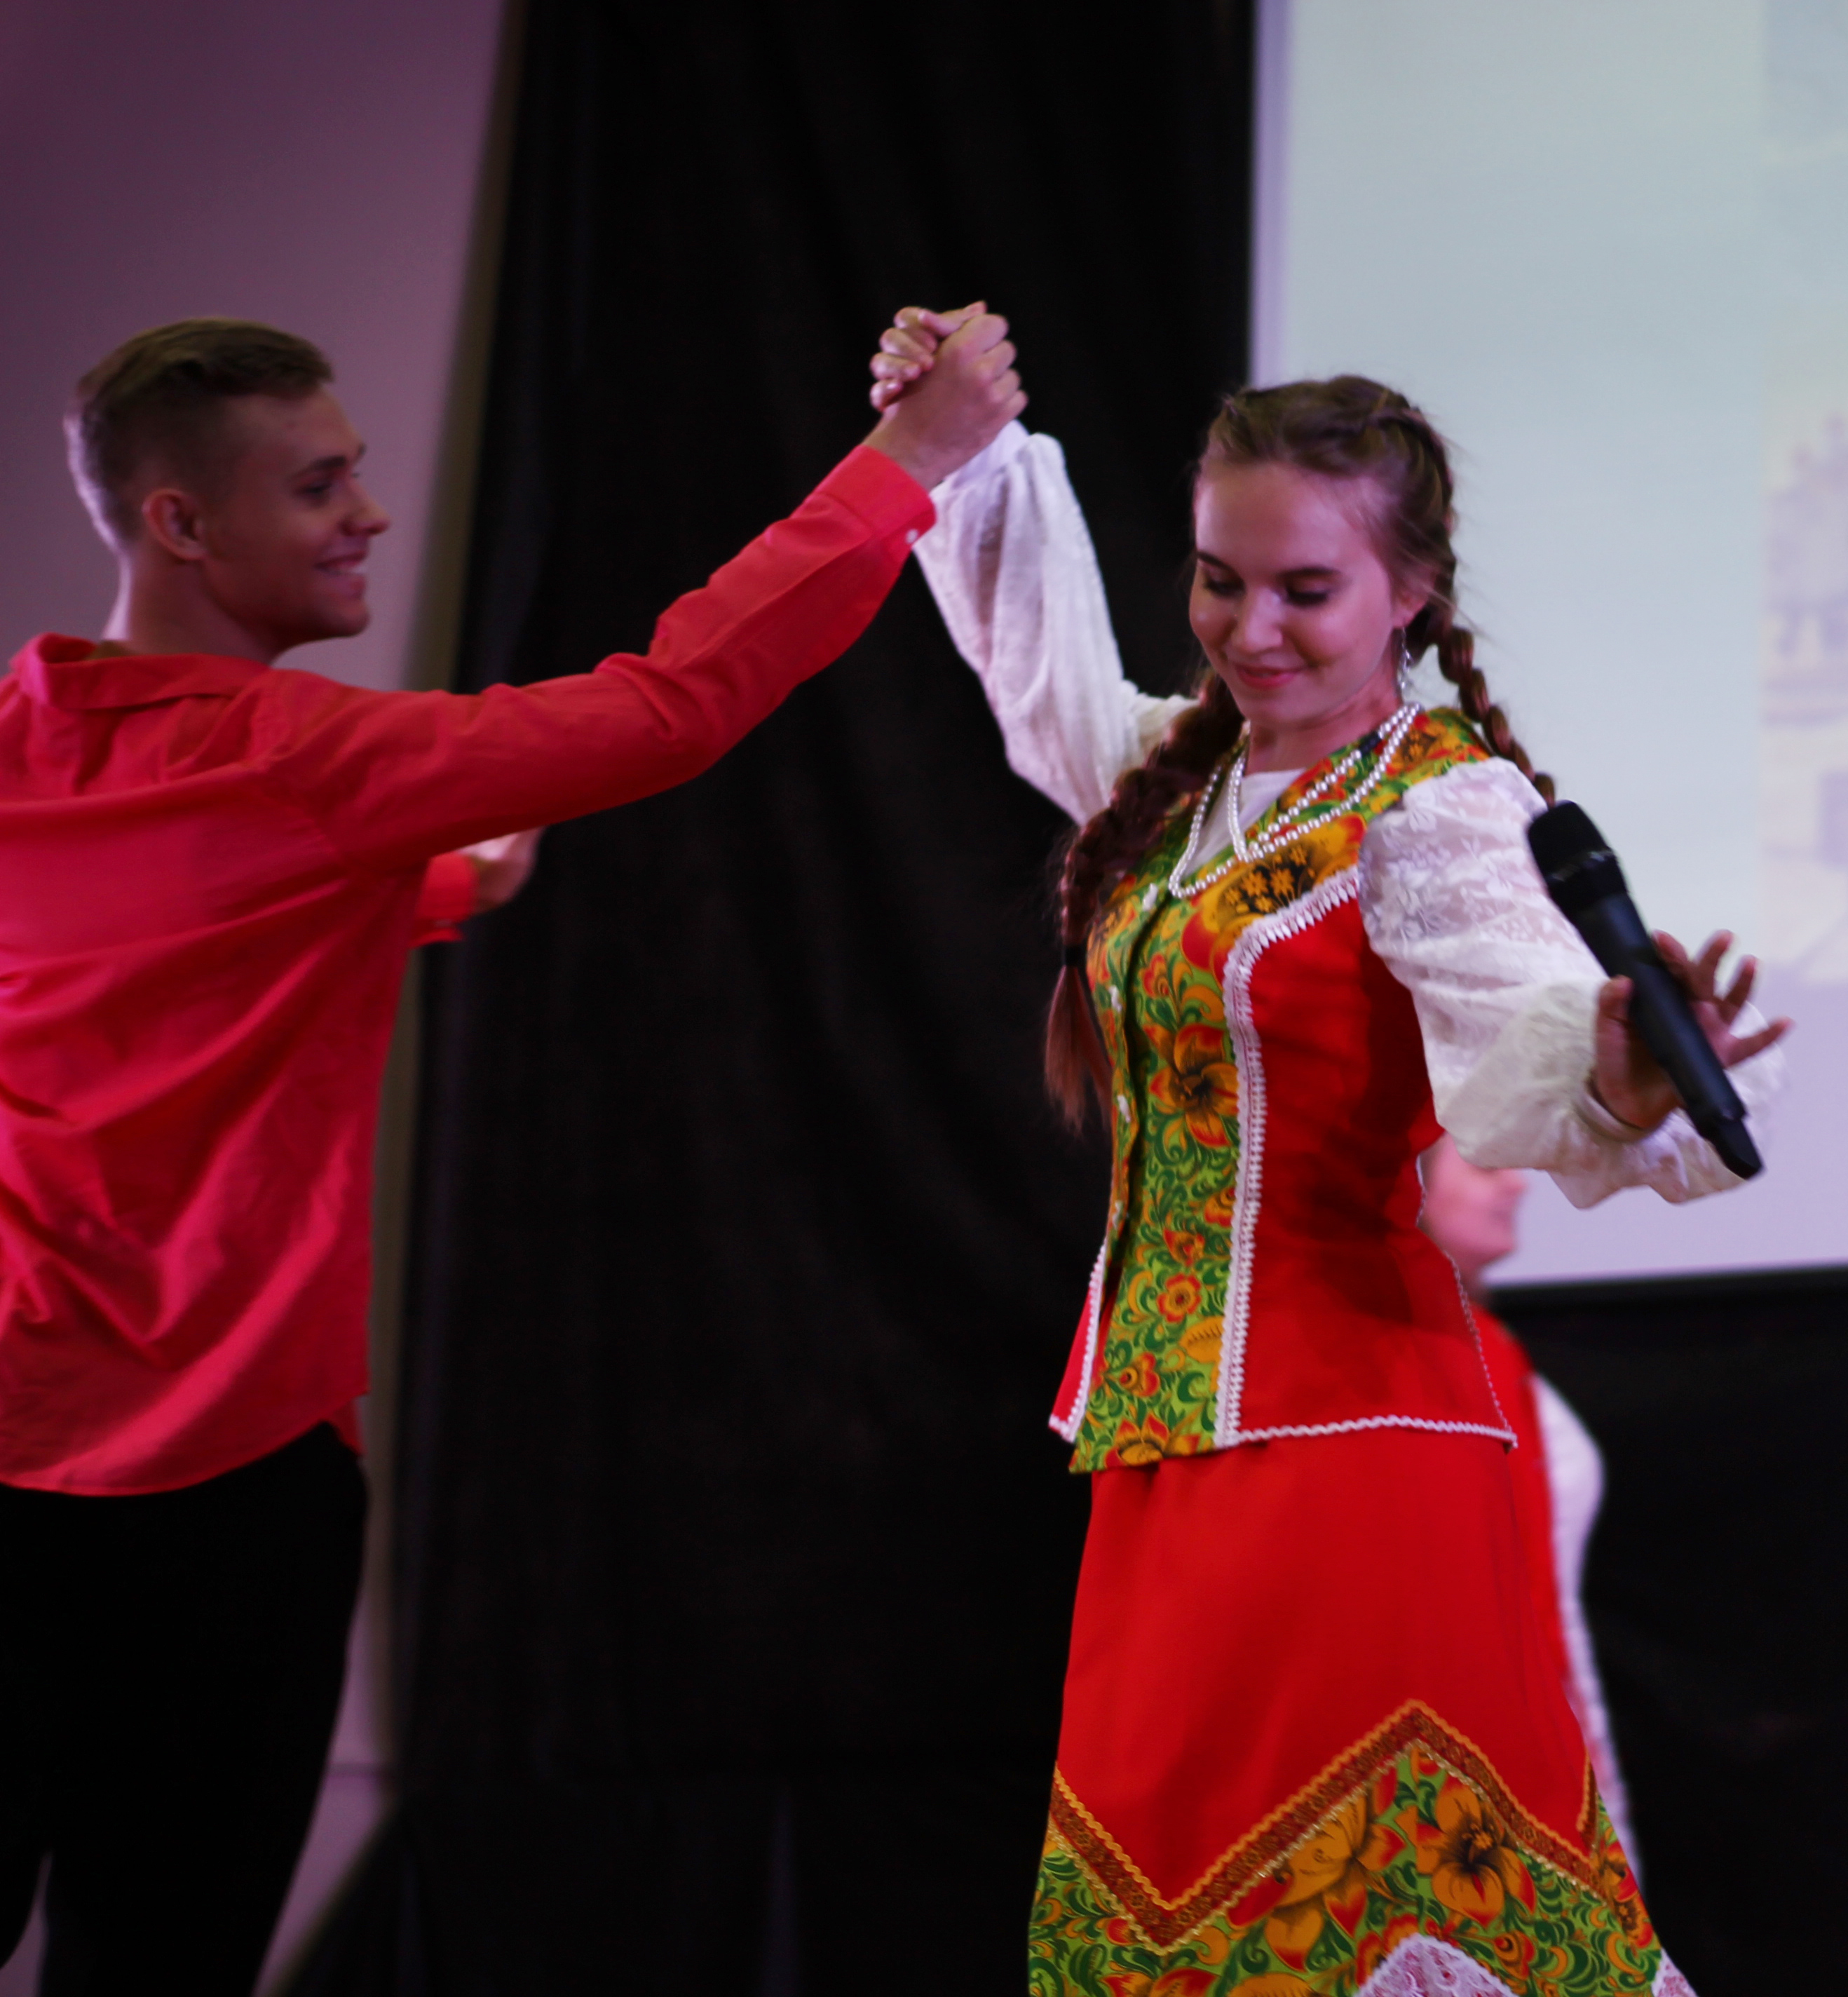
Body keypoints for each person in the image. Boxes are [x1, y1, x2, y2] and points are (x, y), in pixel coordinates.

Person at [0, 307, 1021, 1996]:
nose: (368, 513)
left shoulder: (38, 745)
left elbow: (148, 934)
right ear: (180, 522)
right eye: (317, 485)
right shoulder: (304, 759)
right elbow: (668, 704)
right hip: (221, 1493)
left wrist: (433, 879)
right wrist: (906, 460)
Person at [872, 313, 1785, 1995]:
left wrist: (1618, 1071)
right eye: (1221, 581)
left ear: (1410, 592)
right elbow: (1042, 681)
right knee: (1169, 1918)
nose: (1251, 628)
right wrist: (966, 449)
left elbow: (1519, 1062)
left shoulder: (1436, 806)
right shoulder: (1179, 784)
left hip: (1352, 1441)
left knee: (1356, 1922)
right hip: (1167, 1438)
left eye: (1305, 588)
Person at [1420, 1136, 1637, 1869]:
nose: (1517, 1184)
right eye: (1485, 1164)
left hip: (1544, 1729)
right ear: (1408, 1184)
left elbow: (1542, 1598)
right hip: (1486, 1768)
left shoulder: (1484, 1347)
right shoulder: (1437, 1360)